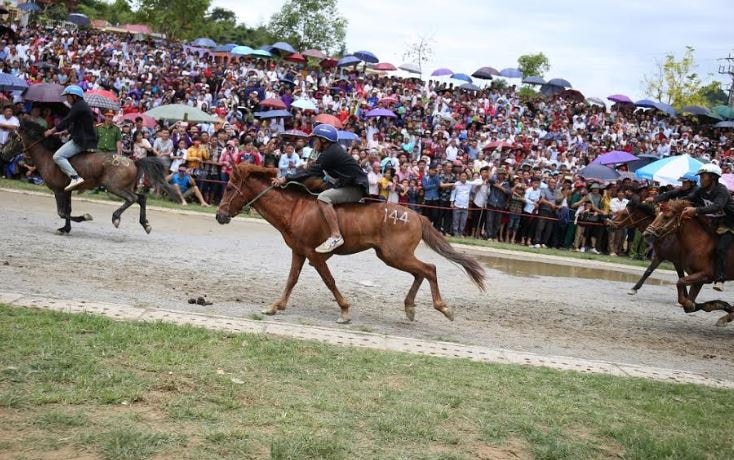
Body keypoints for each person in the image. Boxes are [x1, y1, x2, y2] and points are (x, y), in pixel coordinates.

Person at [271, 124, 369, 253]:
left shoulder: (330, 153)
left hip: (355, 188)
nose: (313, 143)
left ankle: (336, 236)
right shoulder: (331, 151)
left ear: (323, 140)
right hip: (348, 184)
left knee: (323, 198)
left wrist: (285, 179)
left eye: (315, 140)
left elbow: (311, 172)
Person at [681, 163, 734, 291]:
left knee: (721, 248)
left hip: (731, 224)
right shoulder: (701, 190)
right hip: (717, 223)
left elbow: (717, 207)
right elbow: (688, 198)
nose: (700, 179)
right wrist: (674, 203)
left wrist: (696, 210)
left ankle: (720, 279)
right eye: (700, 176)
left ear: (713, 178)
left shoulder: (722, 191)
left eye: (703, 176)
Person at [44, 85, 98, 191]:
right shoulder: (81, 105)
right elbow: (78, 124)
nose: (67, 99)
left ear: (74, 96)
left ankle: (75, 177)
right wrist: (65, 132)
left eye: (68, 96)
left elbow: (66, 121)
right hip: (84, 138)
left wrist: (51, 131)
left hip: (81, 141)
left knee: (58, 157)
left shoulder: (79, 106)